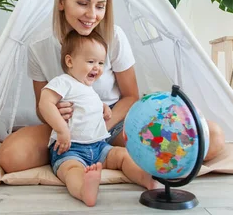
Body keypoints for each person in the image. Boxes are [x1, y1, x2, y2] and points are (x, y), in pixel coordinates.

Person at [0, 0, 225, 174]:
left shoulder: (113, 37)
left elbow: (130, 96)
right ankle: (72, 155)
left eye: (100, 6)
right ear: (61, 2)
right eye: (82, 3)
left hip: (112, 121)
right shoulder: (38, 47)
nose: (92, 15)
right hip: (67, 127)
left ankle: (94, 154)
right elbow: (41, 108)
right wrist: (58, 114)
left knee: (211, 138)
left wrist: (99, 127)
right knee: (11, 156)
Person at [40, 30, 159, 206]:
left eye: (101, 63)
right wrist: (61, 130)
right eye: (90, 61)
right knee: (72, 170)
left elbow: (87, 104)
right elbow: (45, 103)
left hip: (99, 146)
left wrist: (103, 108)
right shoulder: (63, 81)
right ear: (69, 61)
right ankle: (84, 189)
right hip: (70, 149)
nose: (97, 67)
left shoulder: (89, 89)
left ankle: (147, 179)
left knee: (122, 155)